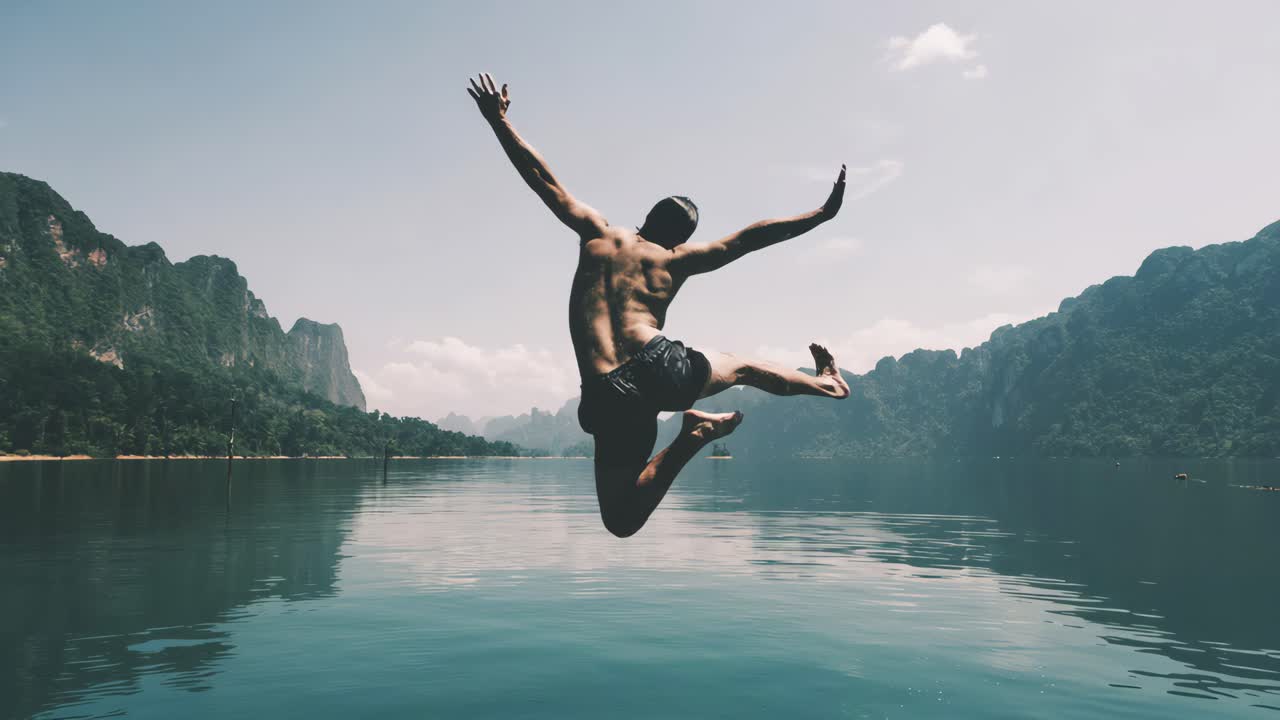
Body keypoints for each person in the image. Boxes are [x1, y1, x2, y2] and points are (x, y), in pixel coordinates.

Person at [468, 73, 850, 537]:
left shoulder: (597, 233)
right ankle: (827, 385)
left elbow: (543, 180)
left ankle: (693, 437)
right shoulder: (677, 259)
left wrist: (499, 121)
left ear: (646, 216)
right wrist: (820, 215)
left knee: (621, 520)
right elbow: (749, 239)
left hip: (605, 392)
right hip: (658, 366)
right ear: (682, 237)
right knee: (746, 367)